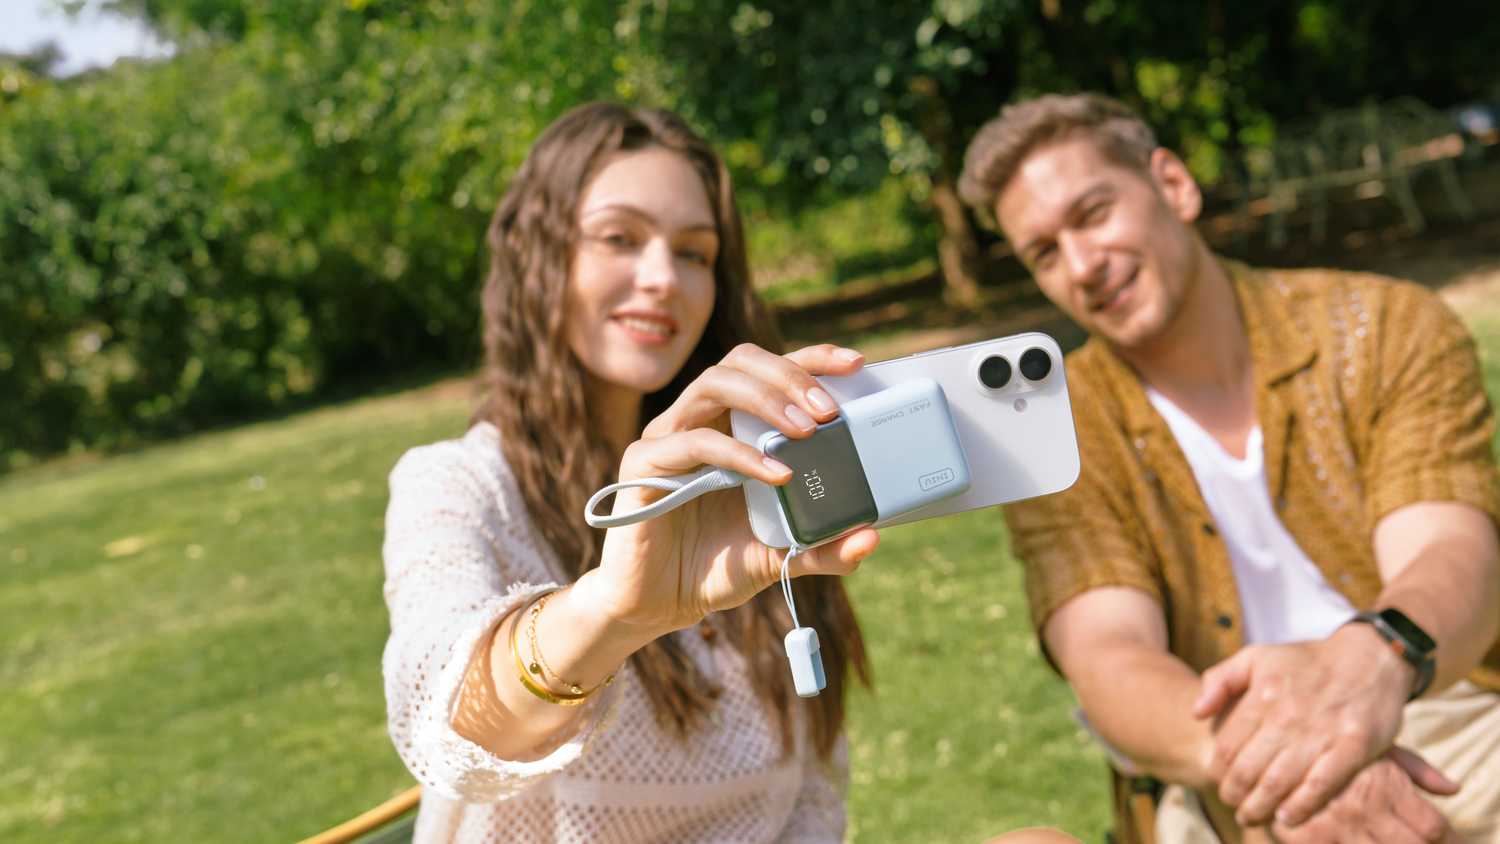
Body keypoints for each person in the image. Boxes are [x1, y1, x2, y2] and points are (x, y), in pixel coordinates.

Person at [958, 92, 1500, 843]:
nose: (1082, 266)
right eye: (1045, 254)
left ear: (1173, 185)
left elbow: (1448, 552)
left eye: (1093, 214)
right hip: (1218, 755)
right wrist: (1281, 772)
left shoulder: (1384, 327)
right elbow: (1108, 655)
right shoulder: (1056, 433)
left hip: (1427, 707)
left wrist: (1375, 665)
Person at [380, 102, 883, 842]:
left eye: (695, 253)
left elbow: (807, 799)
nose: (662, 278)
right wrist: (615, 613)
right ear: (536, 253)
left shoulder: (752, 470)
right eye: (620, 238)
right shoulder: (458, 484)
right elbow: (445, 726)